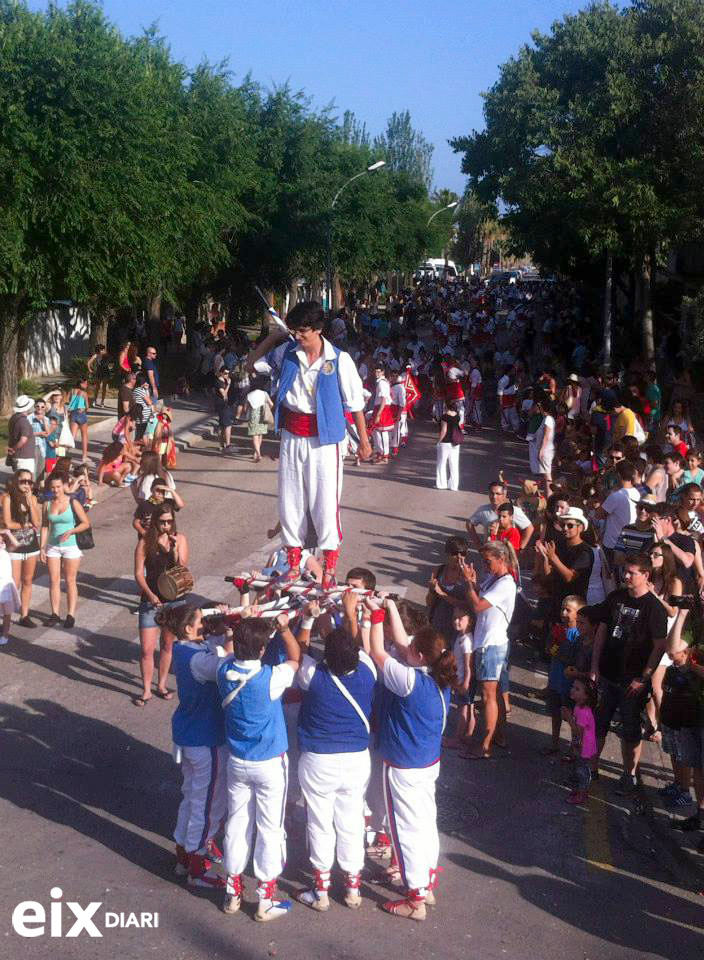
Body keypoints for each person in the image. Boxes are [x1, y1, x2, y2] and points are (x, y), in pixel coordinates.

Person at [247, 301, 371, 587]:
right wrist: (274, 337)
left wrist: (364, 441)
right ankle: (292, 563)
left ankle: (329, 568)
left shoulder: (340, 360)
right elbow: (252, 364)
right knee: (290, 500)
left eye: (303, 331)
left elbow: (355, 405)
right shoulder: (286, 353)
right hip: (292, 436)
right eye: (294, 331)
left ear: (318, 329)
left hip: (325, 440)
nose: (298, 336)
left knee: (325, 503)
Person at [366, 608, 456, 921]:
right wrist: (390, 605)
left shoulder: (408, 682)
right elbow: (406, 646)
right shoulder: (438, 676)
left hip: (404, 766)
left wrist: (376, 617)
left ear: (419, 655)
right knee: (425, 824)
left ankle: (415, 898)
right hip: (427, 763)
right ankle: (426, 883)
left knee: (405, 831)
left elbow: (377, 652)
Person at [218, 615, 301, 921]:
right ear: (264, 649)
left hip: (238, 761)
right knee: (270, 828)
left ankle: (232, 890)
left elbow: (228, 650)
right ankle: (265, 897)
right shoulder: (271, 677)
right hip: (269, 764)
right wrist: (284, 628)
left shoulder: (223, 670)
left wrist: (238, 624)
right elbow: (295, 656)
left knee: (237, 824)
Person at [294, 624, 377, 912]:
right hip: (356, 759)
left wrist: (307, 622)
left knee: (319, 822)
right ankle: (353, 888)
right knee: (351, 820)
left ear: (327, 656)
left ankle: (321, 891)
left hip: (318, 761)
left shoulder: (312, 675)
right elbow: (359, 643)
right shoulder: (368, 670)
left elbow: (299, 650)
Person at [589, 554, 668, 794]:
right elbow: (602, 631)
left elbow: (659, 646)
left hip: (633, 680)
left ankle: (629, 775)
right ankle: (590, 770)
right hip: (608, 674)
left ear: (645, 575)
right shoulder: (616, 598)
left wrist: (643, 677)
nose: (625, 576)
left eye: (631, 572)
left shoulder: (654, 608)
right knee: (599, 724)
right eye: (625, 571)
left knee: (630, 730)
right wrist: (594, 666)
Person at [165, 604, 231, 888]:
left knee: (191, 797)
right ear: (189, 629)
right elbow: (228, 664)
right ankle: (198, 865)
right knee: (207, 805)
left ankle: (182, 853)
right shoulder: (199, 660)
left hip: (189, 736)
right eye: (202, 622)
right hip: (205, 740)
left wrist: (224, 627)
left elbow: (213, 646)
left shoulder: (184, 649)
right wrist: (235, 634)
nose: (206, 625)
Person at [459, 541, 518, 760]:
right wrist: (473, 583)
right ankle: (498, 736)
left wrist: (468, 583)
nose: (485, 565)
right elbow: (478, 598)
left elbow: (477, 606)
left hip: (491, 644)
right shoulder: (494, 579)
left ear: (501, 559)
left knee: (488, 696)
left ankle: (485, 746)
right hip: (486, 642)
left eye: (488, 561)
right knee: (493, 694)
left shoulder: (505, 584)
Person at [133, 502, 190, 706]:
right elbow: (139, 573)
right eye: (163, 522)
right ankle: (146, 689)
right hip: (151, 600)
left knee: (167, 645)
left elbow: (182, 567)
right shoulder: (145, 543)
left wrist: (174, 549)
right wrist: (149, 594)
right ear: (156, 522)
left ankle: (162, 684)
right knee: (147, 649)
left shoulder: (180, 539)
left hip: (174, 600)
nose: (167, 525)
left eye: (170, 521)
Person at [40, 474, 91, 629]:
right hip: (53, 546)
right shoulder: (47, 504)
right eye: (53, 487)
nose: (56, 490)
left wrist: (71, 531)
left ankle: (70, 614)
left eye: (58, 486)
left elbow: (85, 523)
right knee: (54, 581)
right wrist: (42, 547)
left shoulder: (73, 502)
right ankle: (54, 613)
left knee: (70, 581)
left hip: (71, 546)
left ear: (64, 486)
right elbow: (45, 526)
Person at [542, 595, 585, 756]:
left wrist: (559, 646)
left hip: (569, 685)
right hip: (555, 680)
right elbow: (547, 650)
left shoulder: (578, 635)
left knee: (572, 716)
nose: (564, 613)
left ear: (578, 613)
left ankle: (573, 749)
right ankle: (554, 743)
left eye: (568, 610)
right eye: (562, 609)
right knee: (554, 713)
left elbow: (573, 660)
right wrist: (552, 640)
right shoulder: (558, 629)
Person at [1, 470, 42, 627]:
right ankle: (6, 616)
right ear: (16, 481)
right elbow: (7, 523)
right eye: (23, 481)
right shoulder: (8, 499)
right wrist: (24, 525)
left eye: (29, 482)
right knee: (14, 583)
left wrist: (30, 502)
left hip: (31, 545)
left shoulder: (32, 498)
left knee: (28, 580)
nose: (26, 485)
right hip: (14, 546)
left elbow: (37, 522)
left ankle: (24, 615)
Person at [466, 479, 534, 552]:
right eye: (492, 493)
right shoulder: (483, 510)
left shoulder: (514, 510)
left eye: (498, 494)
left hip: (508, 554)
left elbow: (529, 528)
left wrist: (521, 548)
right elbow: (469, 524)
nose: (494, 497)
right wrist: (478, 545)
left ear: (504, 495)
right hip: (490, 553)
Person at [566, 678, 598, 805]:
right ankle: (579, 790)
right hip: (581, 744)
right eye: (573, 686)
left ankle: (582, 794)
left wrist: (568, 718)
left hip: (585, 747)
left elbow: (578, 731)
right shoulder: (578, 706)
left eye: (577, 689)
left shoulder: (584, 711)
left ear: (586, 696)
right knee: (578, 768)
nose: (572, 689)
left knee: (582, 770)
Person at [601, 460, 641, 561]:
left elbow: (599, 514)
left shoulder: (615, 496)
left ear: (618, 475)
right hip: (629, 542)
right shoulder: (637, 492)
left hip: (612, 544)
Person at [528, 396, 556, 493]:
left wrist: (541, 450)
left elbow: (546, 436)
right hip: (545, 450)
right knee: (545, 476)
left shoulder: (548, 419)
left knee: (547, 475)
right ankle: (547, 494)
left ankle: (550, 495)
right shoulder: (546, 418)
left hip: (546, 450)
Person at [6, 395, 37, 477]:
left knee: (18, 480)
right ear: (27, 408)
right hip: (25, 457)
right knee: (26, 481)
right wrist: (13, 449)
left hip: (18, 456)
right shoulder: (24, 422)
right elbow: (23, 440)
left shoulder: (13, 418)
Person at [435, 400, 462, 491]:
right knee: (454, 464)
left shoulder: (444, 417)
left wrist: (438, 441)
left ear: (446, 406)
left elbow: (444, 430)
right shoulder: (457, 416)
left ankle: (442, 484)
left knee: (441, 464)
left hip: (445, 442)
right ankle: (454, 485)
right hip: (455, 442)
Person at [0, 527, 20, 644]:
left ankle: (5, 634)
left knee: (7, 612)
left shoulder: (6, 551)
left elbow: (16, 544)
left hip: (6, 585)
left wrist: (7, 532)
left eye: (1, 541)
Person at [246, 382, 274, 463]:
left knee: (255, 435)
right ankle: (256, 453)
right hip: (263, 415)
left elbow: (246, 407)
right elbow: (271, 404)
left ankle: (258, 453)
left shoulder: (249, 394)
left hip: (253, 415)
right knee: (260, 434)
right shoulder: (264, 393)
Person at [66, 377, 90, 463]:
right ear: (81, 384)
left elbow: (66, 401)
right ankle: (84, 456)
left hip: (73, 414)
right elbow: (87, 407)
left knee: (72, 437)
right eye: (85, 383)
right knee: (84, 436)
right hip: (81, 413)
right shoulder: (84, 393)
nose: (87, 385)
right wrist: (84, 409)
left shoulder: (71, 391)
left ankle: (64, 452)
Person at [30, 399, 49, 481]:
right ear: (34, 407)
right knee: (33, 468)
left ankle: (36, 488)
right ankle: (31, 487)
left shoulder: (46, 419)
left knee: (41, 468)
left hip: (42, 447)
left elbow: (48, 433)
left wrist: (44, 421)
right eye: (37, 406)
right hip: (32, 445)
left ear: (45, 407)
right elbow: (26, 434)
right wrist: (39, 433)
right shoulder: (29, 417)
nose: (40, 408)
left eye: (42, 407)